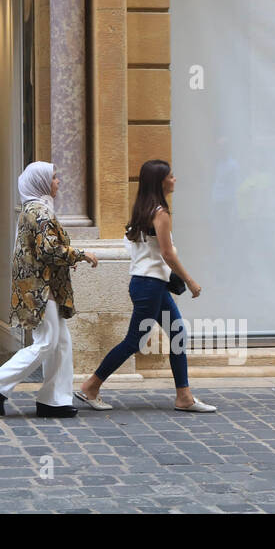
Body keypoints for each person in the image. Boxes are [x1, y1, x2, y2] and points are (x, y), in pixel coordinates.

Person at [75, 159, 217, 413]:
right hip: (149, 286)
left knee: (177, 334)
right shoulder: (160, 213)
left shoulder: (143, 209)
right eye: (171, 176)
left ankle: (184, 396)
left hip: (151, 285)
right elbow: (167, 254)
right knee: (134, 341)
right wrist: (190, 281)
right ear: (160, 181)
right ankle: (91, 386)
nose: (174, 180)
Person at [0, 161, 98, 418]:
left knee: (61, 343)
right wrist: (80, 255)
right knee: (47, 342)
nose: (58, 182)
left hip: (43, 287)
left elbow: (41, 251)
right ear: (42, 182)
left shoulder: (35, 208)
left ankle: (53, 400)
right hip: (40, 290)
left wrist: (65, 261)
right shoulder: (39, 211)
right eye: (54, 178)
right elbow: (50, 249)